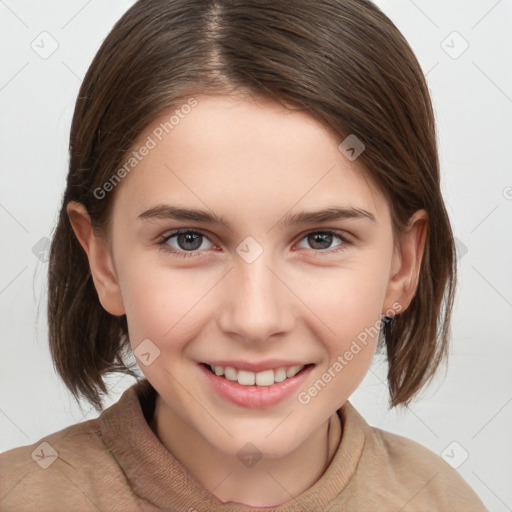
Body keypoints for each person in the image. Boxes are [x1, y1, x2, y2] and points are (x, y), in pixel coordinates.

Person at [0, 0, 488, 510]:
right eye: (188, 239)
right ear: (103, 262)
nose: (256, 320)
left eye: (321, 239)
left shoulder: (441, 499)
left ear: (401, 266)